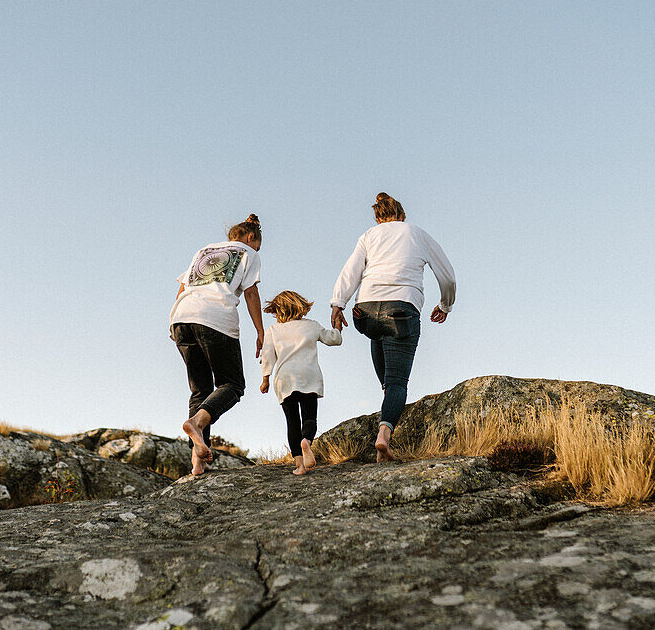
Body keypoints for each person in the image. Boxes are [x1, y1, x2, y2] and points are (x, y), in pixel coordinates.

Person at [330, 193, 456, 462]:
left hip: (364, 312)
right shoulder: (416, 234)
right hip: (401, 309)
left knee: (387, 373)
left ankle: (389, 400)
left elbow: (350, 270)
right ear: (403, 216)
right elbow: (447, 275)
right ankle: (384, 436)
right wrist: (445, 305)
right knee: (398, 381)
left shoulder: (369, 236)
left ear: (378, 218)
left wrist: (338, 303)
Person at [170, 214, 265, 476]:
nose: (257, 249)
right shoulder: (249, 252)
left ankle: (198, 461)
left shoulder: (205, 250)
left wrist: (175, 322)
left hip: (181, 317)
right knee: (232, 385)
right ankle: (198, 422)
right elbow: (251, 292)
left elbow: (183, 286)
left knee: (200, 390)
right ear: (250, 237)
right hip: (214, 318)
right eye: (258, 244)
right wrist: (260, 330)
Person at [259, 290, 342, 475]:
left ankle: (299, 466)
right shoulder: (311, 326)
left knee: (292, 422)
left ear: (277, 310)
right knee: (309, 417)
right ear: (301, 306)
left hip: (285, 379)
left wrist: (265, 379)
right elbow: (334, 340)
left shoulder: (273, 330)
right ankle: (307, 441)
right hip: (308, 377)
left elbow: (267, 356)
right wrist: (337, 327)